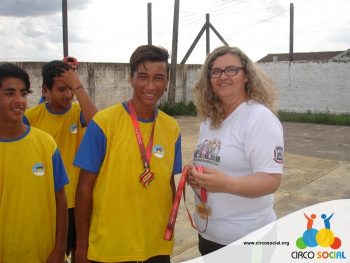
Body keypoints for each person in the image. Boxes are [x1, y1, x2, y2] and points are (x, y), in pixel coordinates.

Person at [74, 45, 182, 263]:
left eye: (158, 78)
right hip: (110, 248)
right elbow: (84, 189)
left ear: (167, 81)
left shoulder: (172, 128)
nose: (151, 86)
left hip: (156, 247)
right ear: (130, 78)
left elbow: (168, 182)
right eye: (143, 77)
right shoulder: (103, 123)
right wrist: (81, 245)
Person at [186, 46, 284, 255]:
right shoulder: (210, 120)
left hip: (248, 240)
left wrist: (225, 184)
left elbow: (271, 180)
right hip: (209, 236)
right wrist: (195, 173)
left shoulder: (258, 118)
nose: (223, 76)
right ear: (209, 79)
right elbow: (215, 162)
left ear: (247, 75)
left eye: (231, 69)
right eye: (216, 71)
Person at [23, 60, 98, 262]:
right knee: (53, 252)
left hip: (78, 200)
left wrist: (79, 87)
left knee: (81, 252)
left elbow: (99, 126)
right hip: (49, 202)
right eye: (61, 89)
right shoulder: (30, 119)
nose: (68, 95)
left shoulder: (77, 113)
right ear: (45, 90)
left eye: (70, 89)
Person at [0, 63, 69, 262]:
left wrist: (59, 250)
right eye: (10, 93)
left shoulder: (46, 144)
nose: (19, 101)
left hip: (44, 255)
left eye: (23, 93)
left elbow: (61, 200)